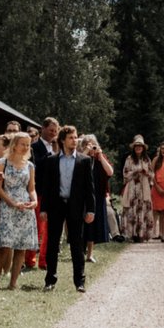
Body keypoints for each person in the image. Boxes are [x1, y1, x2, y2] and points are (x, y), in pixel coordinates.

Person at [40, 124, 101, 291]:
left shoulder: (84, 160)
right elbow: (46, 187)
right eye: (71, 138)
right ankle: (50, 280)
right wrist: (43, 208)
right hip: (56, 205)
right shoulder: (52, 161)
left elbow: (90, 188)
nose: (74, 140)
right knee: (53, 243)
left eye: (75, 137)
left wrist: (91, 209)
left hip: (76, 206)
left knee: (77, 244)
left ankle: (79, 281)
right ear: (62, 140)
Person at [0, 130, 40, 289]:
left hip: (25, 207)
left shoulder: (30, 166)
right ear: (14, 145)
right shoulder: (2, 163)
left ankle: (13, 283)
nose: (25, 147)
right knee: (4, 246)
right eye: (22, 144)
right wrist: (11, 203)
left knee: (21, 247)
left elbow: (31, 188)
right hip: (8, 206)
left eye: (28, 145)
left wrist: (34, 201)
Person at [28, 119, 62, 271]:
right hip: (39, 191)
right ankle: (30, 259)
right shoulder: (34, 147)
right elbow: (35, 167)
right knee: (36, 227)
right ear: (43, 129)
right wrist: (51, 154)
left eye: (55, 131)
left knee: (51, 229)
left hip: (55, 194)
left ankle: (45, 260)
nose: (53, 134)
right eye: (51, 130)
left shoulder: (60, 148)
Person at [83, 134, 116, 261]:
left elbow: (110, 172)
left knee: (93, 225)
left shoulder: (100, 159)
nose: (92, 147)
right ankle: (80, 251)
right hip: (82, 195)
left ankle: (90, 254)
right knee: (82, 225)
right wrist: (86, 152)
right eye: (89, 144)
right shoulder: (81, 156)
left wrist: (100, 155)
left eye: (93, 144)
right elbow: (75, 167)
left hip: (97, 195)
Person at [120, 138, 156, 242]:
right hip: (132, 187)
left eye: (140, 146)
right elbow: (125, 173)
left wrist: (146, 173)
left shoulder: (146, 159)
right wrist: (136, 171)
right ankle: (131, 234)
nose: (138, 148)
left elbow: (152, 174)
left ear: (143, 148)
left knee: (143, 208)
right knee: (131, 209)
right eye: (136, 146)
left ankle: (142, 234)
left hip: (144, 187)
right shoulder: (129, 159)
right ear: (134, 148)